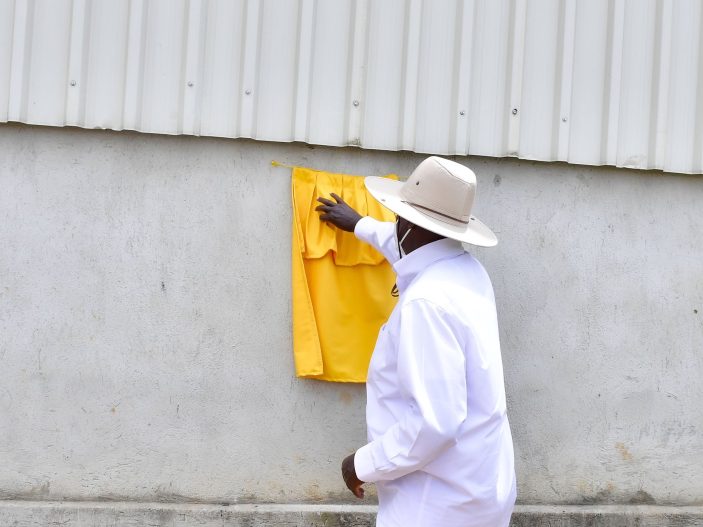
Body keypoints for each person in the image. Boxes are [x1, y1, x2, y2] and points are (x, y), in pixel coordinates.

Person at [315, 156, 516, 527]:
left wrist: (361, 465)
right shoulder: (466, 272)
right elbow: (410, 251)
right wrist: (360, 225)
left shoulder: (427, 303)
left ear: (406, 221)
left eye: (398, 216)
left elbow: (434, 424)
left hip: (437, 504)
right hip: (480, 487)